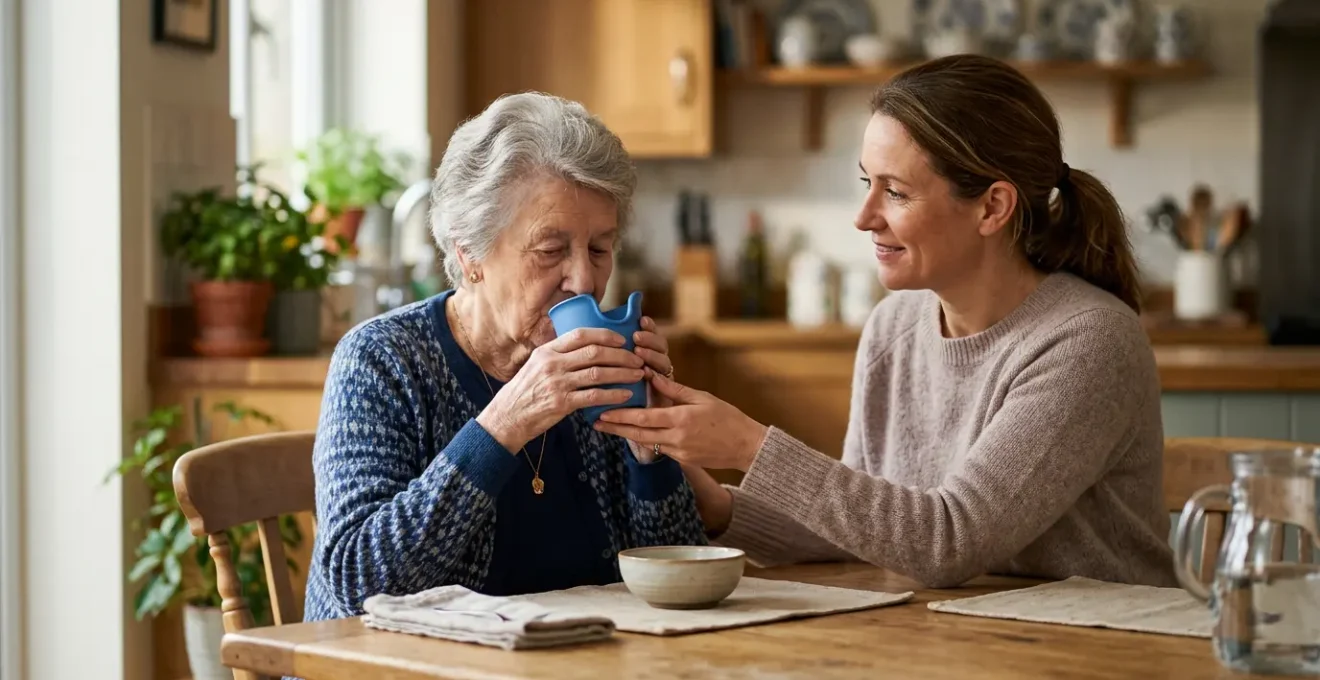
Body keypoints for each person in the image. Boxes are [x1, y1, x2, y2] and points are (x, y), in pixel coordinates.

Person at [594, 55, 1176, 588]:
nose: (864, 216)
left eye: (895, 192)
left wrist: (750, 445)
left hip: (1099, 652)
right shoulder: (893, 328)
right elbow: (864, 523)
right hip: (959, 644)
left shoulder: (1089, 342)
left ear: (993, 207)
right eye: (866, 183)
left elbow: (949, 540)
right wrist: (717, 501)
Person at [303, 92, 706, 621]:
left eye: (600, 249)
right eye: (551, 250)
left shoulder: (600, 371)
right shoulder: (380, 362)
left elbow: (677, 584)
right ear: (469, 252)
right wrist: (505, 423)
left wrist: (647, 448)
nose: (584, 280)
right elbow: (362, 584)